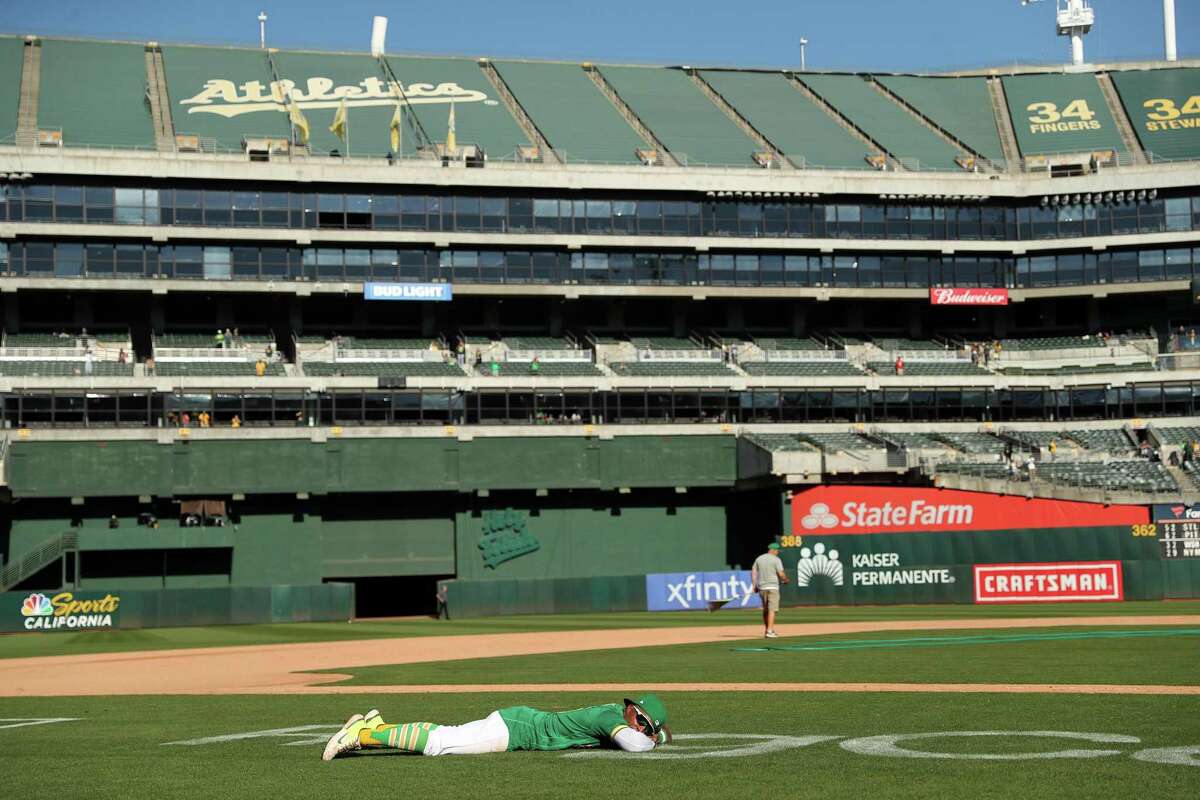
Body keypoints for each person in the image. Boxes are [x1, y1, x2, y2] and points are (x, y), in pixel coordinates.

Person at [322, 694, 671, 762]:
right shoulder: (609, 717)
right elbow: (636, 747)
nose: (641, 730)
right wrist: (654, 740)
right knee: (440, 742)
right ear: (632, 711)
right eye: (641, 722)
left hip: (521, 723)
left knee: (447, 734)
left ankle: (377, 726)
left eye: (646, 728)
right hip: (518, 730)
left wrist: (658, 733)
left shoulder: (613, 713)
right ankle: (362, 734)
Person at [751, 540, 790, 639]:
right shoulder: (776, 560)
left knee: (765, 610)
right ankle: (769, 631)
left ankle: (767, 630)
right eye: (777, 551)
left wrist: (754, 585)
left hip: (762, 587)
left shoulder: (759, 558)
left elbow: (754, 572)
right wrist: (785, 580)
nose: (777, 552)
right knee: (772, 610)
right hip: (773, 587)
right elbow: (781, 574)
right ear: (773, 550)